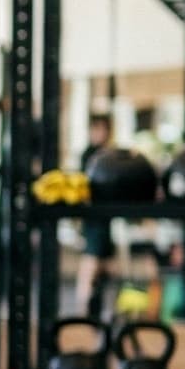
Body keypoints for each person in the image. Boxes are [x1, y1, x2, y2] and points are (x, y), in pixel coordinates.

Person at [74, 111, 119, 316]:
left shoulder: (107, 155)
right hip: (93, 218)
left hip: (104, 217)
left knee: (104, 262)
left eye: (105, 129)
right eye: (99, 129)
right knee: (91, 261)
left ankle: (101, 307)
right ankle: (83, 308)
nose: (102, 133)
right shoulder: (89, 155)